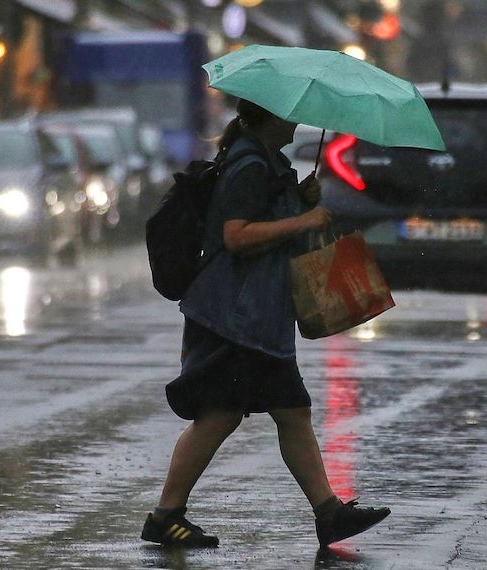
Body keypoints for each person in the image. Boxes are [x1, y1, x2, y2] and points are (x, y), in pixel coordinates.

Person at [141, 99, 390, 548]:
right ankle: (165, 516)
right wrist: (304, 219)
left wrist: (300, 198)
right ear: (271, 117)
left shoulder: (263, 161)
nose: (296, 122)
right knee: (219, 416)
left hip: (254, 317)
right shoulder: (250, 165)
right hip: (233, 317)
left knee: (289, 411)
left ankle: (328, 513)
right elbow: (236, 236)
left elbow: (258, 218)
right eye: (290, 114)